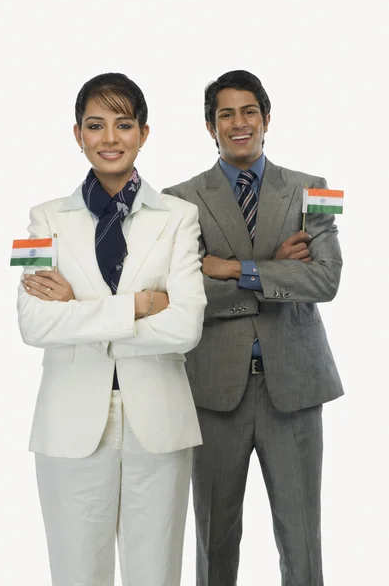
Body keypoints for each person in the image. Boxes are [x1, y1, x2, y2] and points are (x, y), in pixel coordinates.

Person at [17, 72, 206, 586]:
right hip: (70, 423)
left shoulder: (179, 217)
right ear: (78, 134)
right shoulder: (44, 220)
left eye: (123, 125)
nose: (110, 138)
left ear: (144, 133)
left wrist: (78, 309)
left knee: (156, 575)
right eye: (95, 125)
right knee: (77, 574)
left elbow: (186, 325)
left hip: (159, 424)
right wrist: (140, 305)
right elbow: (35, 323)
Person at [162, 69, 343, 586]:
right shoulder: (178, 202)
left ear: (266, 119)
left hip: (296, 386)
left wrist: (233, 267)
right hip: (214, 390)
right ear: (209, 126)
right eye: (225, 114)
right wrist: (276, 266)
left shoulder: (313, 189)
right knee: (214, 542)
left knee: (301, 539)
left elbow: (325, 279)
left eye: (248, 112)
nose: (238, 123)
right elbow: (185, 297)